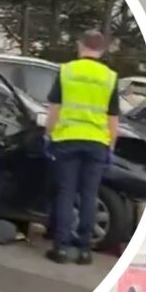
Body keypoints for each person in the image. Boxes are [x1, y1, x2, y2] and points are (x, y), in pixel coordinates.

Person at [45, 29, 120, 265]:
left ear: (80, 45)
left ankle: (61, 248)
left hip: (67, 140)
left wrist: (48, 135)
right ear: (102, 50)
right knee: (89, 195)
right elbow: (113, 119)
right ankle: (85, 250)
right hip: (97, 143)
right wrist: (111, 147)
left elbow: (54, 110)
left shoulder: (67, 71)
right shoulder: (110, 77)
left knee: (66, 193)